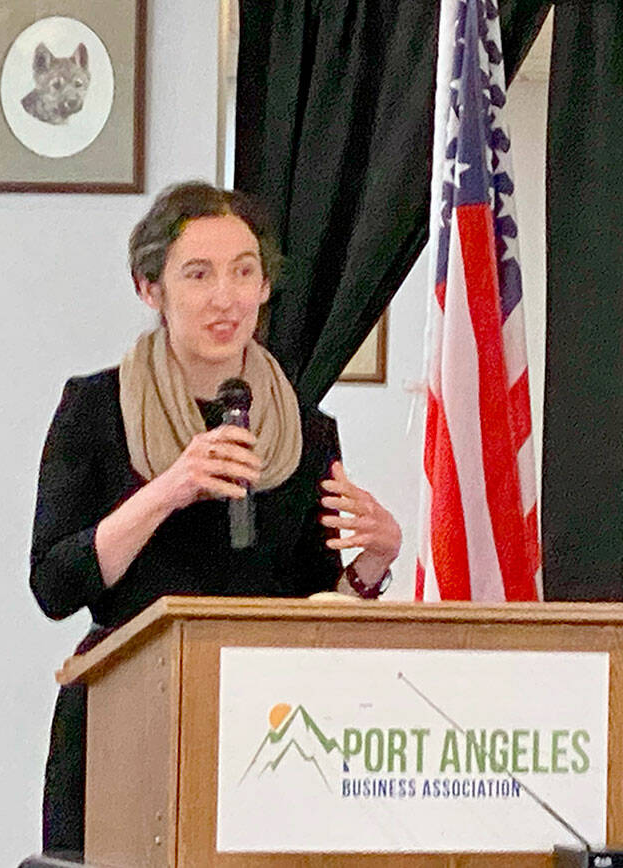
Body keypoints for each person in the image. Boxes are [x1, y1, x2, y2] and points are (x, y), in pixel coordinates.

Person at [29, 181, 402, 857]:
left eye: (244, 271)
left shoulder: (307, 431)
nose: (224, 297)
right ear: (151, 290)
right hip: (124, 720)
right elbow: (56, 585)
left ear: (264, 288)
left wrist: (373, 564)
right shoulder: (95, 410)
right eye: (197, 275)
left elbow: (313, 610)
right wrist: (170, 488)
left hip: (268, 730)